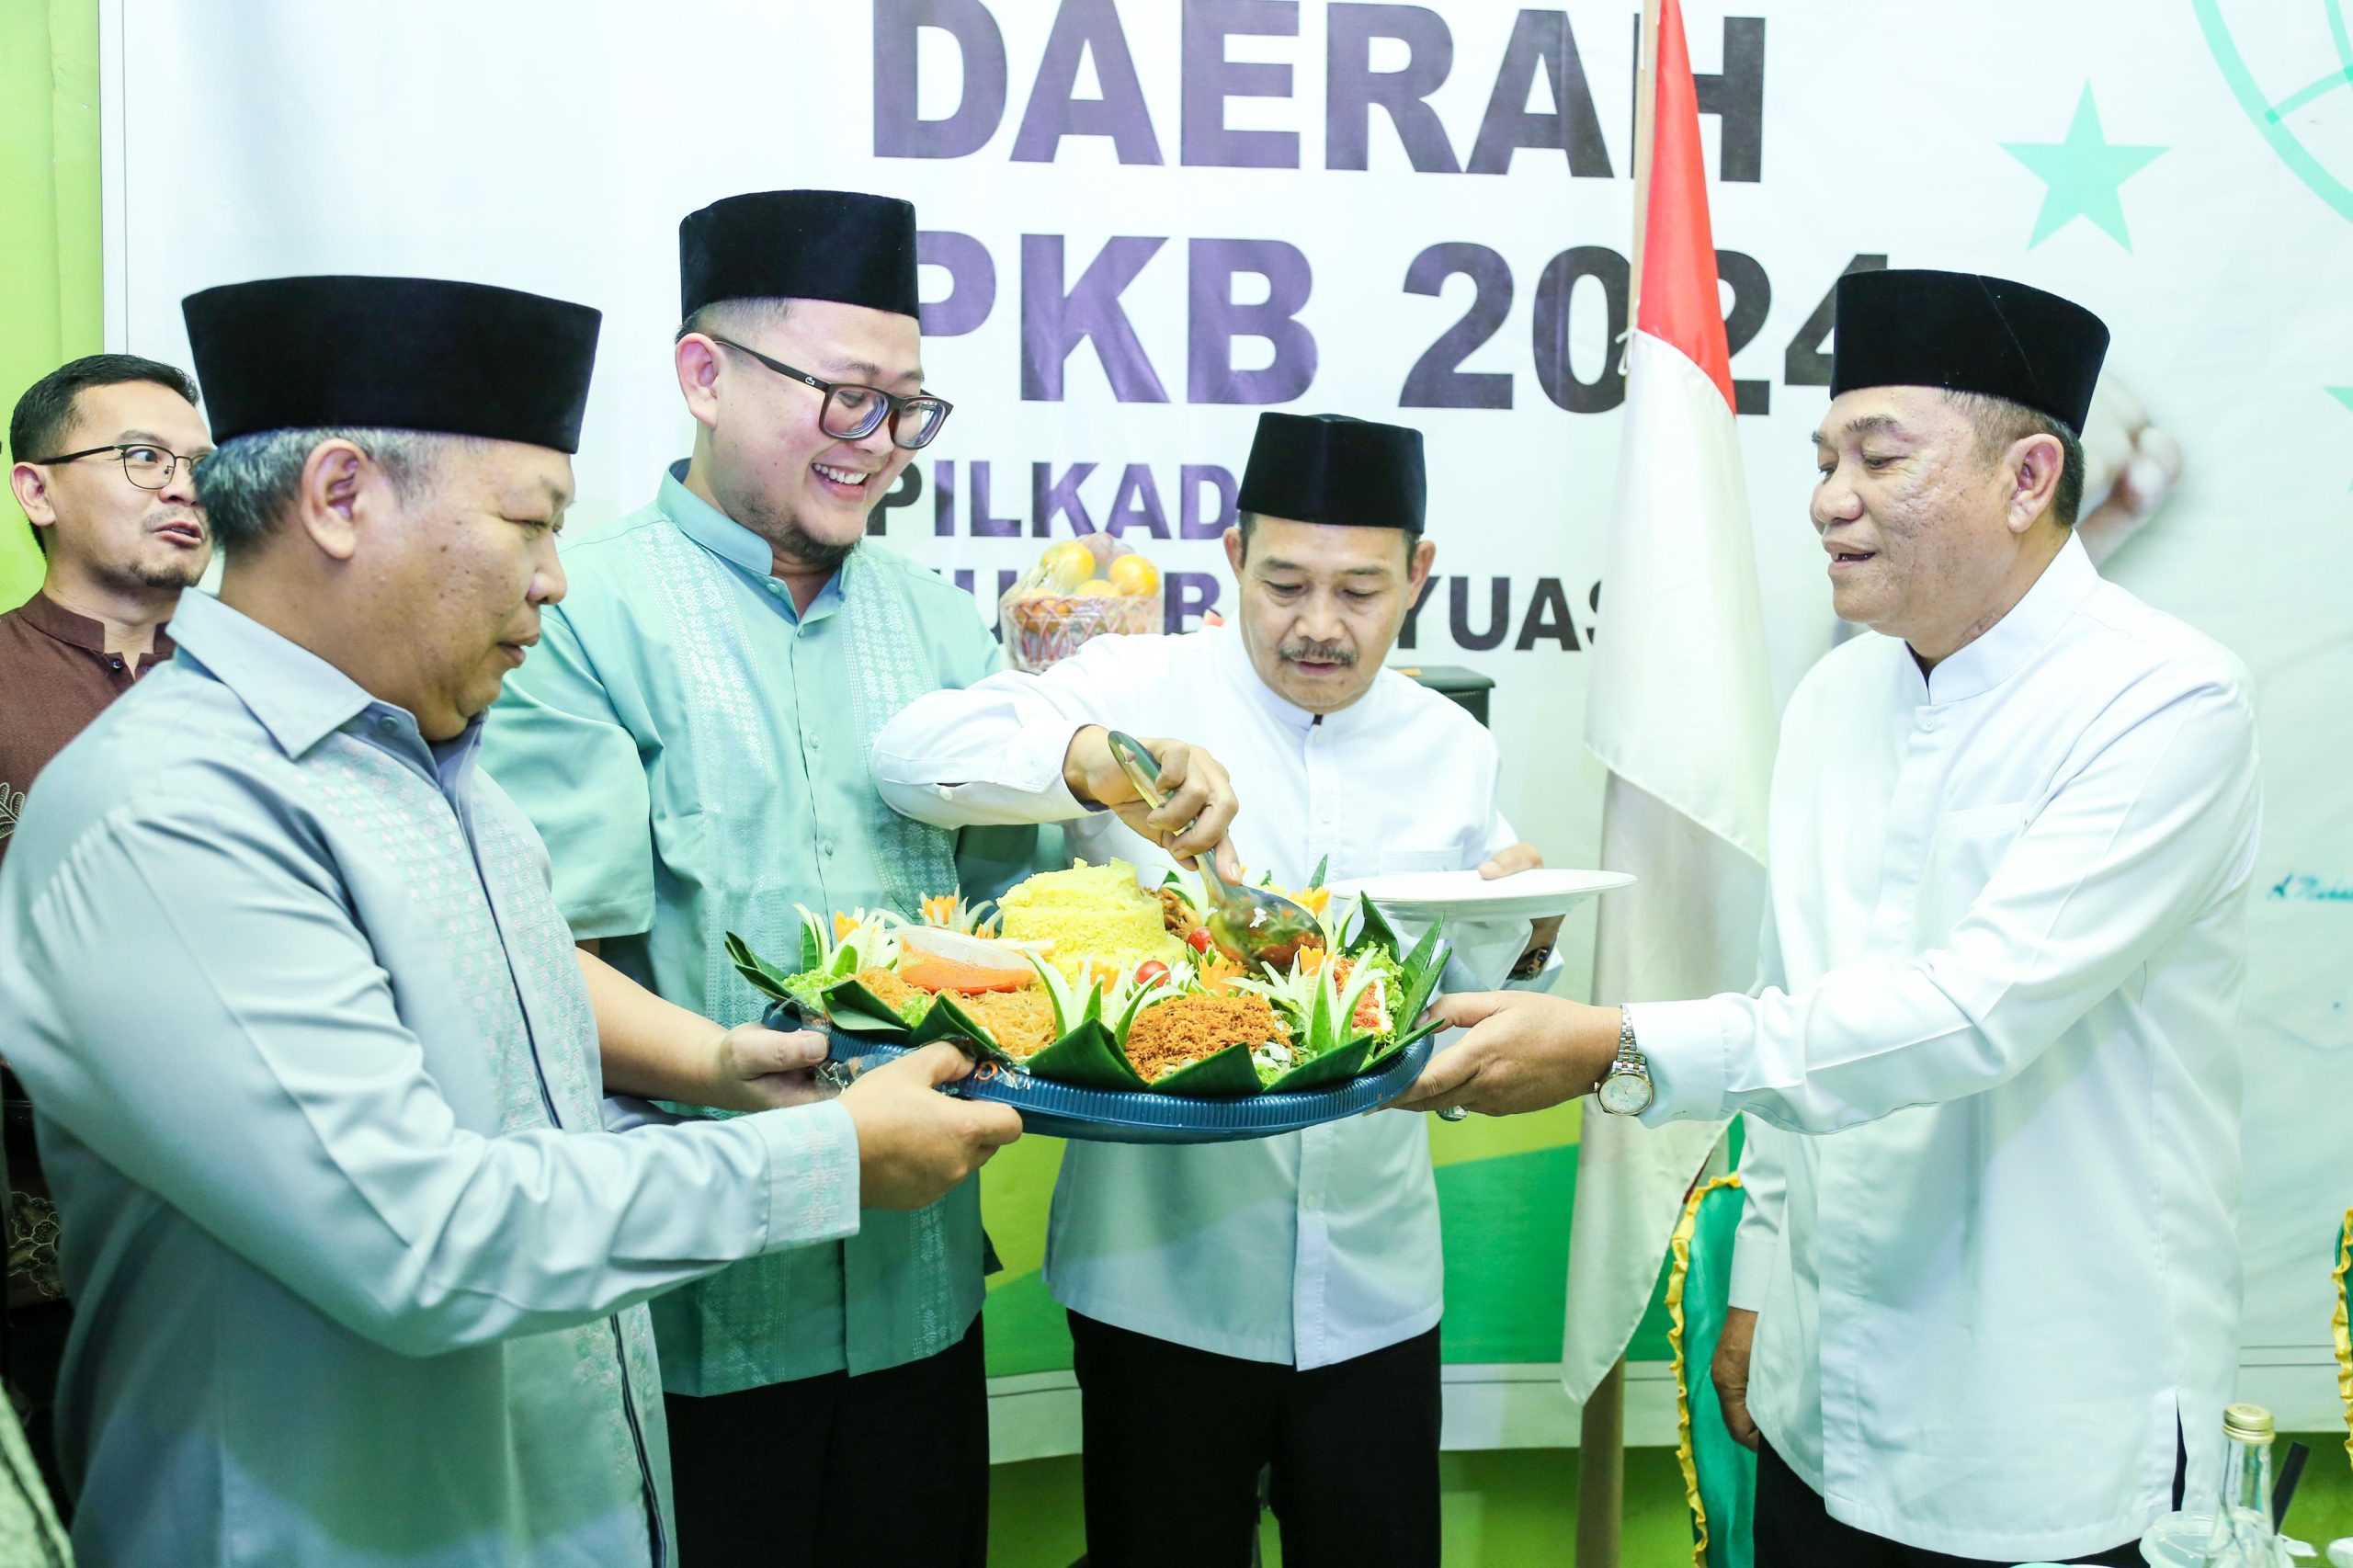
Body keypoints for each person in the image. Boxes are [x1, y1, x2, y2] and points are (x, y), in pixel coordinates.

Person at [0, 273, 1017, 1567]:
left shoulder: (446, 781)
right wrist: (825, 1159)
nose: (555, 580)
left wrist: (738, 1078)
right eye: (529, 524)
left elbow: (528, 1126)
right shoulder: (167, 814)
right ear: (341, 497)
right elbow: (419, 1235)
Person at [1395, 269, 2261, 1568]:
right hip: (1819, 1392)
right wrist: (1756, 1288)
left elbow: (1968, 1014)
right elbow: (1796, 1002)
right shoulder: (1835, 698)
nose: (1826, 499)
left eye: (1879, 457)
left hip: (2044, 1422)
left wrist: (1615, 1044)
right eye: (1822, 459)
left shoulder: (2164, 701)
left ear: (2028, 477)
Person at [871, 412, 1560, 1568]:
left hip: (1379, 1287)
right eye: (1284, 582)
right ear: (1233, 557)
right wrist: (1096, 760)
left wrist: (1523, 935)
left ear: (1418, 575)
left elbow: (1447, 1001)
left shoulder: (1452, 745)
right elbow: (908, 757)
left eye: (1360, 589)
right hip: (1157, 1282)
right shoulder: (1138, 682)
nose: (1319, 623)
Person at [481, 189, 1032, 1567]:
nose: (880, 441)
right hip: (699, 1314)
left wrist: (1082, 737)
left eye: (905, 406)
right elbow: (547, 969)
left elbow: (1014, 933)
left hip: (921, 1296)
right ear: (704, 374)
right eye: (845, 396)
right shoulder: (575, 612)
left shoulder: (942, 626)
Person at [0, 351, 213, 1504]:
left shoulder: (265, 695)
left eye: (200, 463)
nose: (182, 484)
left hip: (254, 1239)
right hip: (40, 1257)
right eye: (142, 456)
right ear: (36, 488)